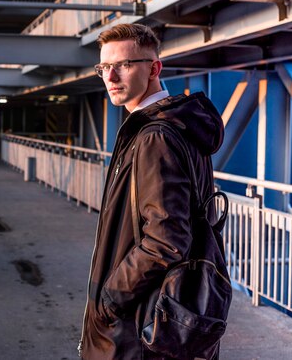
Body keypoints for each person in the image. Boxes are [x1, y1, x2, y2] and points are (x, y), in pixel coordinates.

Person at [79, 23, 224, 359]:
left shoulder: (155, 137)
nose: (111, 77)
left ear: (154, 68)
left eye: (124, 65)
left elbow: (166, 238)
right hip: (168, 312)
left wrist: (110, 299)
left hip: (142, 322)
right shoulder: (178, 127)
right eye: (104, 67)